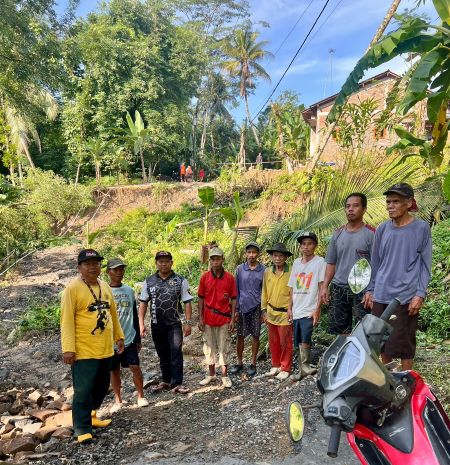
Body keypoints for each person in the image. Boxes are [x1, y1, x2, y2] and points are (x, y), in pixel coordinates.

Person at [364, 183, 432, 370]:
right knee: (382, 342)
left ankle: (407, 382)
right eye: (388, 202)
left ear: (409, 203)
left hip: (405, 297)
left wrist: (420, 294)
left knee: (404, 344)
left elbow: (426, 265)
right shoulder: (382, 229)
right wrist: (371, 289)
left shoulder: (421, 229)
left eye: (395, 202)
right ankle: (391, 383)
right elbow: (376, 263)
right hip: (382, 293)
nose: (390, 206)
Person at [60, 249, 125, 444]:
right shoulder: (72, 289)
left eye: (96, 263)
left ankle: (92, 416)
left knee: (102, 386)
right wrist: (68, 348)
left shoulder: (104, 286)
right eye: (88, 264)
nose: (92, 267)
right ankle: (81, 428)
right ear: (79, 268)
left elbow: (113, 314)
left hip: (105, 348)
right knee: (83, 389)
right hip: (84, 350)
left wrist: (119, 336)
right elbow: (67, 321)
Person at [320, 193, 375, 335]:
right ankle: (345, 356)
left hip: (362, 289)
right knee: (341, 330)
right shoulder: (338, 234)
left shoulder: (371, 234)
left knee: (365, 331)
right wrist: (325, 286)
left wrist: (371, 290)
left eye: (355, 206)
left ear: (364, 209)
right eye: (348, 206)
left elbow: (377, 265)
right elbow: (331, 262)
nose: (350, 209)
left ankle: (362, 357)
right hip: (339, 287)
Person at [139, 251, 193, 394]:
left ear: (171, 263)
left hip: (174, 324)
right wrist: (141, 323)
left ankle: (177, 383)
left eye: (166, 261)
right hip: (156, 324)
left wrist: (188, 322)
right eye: (160, 261)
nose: (163, 264)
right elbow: (143, 303)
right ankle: (166, 380)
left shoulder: (180, 280)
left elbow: (187, 302)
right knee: (162, 353)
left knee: (176, 352)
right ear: (156, 263)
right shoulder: (149, 281)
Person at [106, 259, 149, 413]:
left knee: (135, 367)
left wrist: (137, 337)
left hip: (128, 337)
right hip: (110, 341)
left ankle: (141, 396)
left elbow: (134, 315)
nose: (119, 273)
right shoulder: (104, 291)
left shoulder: (129, 291)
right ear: (108, 272)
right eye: (115, 270)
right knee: (114, 369)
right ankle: (118, 400)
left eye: (121, 269)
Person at [198, 247, 237, 388]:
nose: (215, 261)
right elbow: (201, 298)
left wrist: (233, 318)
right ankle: (211, 374)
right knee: (208, 347)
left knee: (224, 347)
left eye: (218, 258)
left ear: (222, 259)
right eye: (213, 259)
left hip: (224, 319)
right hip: (208, 318)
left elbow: (233, 299)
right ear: (210, 261)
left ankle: (225, 376)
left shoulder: (230, 278)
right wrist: (200, 318)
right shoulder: (204, 277)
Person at [288, 232, 325, 380]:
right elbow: (291, 287)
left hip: (309, 307)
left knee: (306, 337)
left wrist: (317, 309)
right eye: (303, 244)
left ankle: (306, 365)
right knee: (297, 339)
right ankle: (302, 368)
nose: (306, 247)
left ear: (315, 245)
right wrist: (289, 308)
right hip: (296, 308)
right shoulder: (296, 263)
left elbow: (321, 286)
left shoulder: (320, 262)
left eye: (309, 243)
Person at [230, 242, 265, 377]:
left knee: (256, 335)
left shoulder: (263, 270)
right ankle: (239, 362)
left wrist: (263, 310)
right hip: (243, 306)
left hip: (256, 306)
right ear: (246, 254)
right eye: (249, 252)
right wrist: (236, 310)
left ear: (258, 254)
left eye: (254, 252)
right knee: (240, 335)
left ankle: (253, 363)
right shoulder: (240, 269)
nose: (251, 255)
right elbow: (236, 290)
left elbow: (264, 291)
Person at [262, 243, 293, 381]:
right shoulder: (268, 271)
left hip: (285, 312)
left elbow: (294, 293)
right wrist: (263, 309)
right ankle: (275, 365)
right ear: (272, 257)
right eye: (275, 255)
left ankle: (285, 367)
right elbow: (264, 291)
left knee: (285, 341)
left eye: (281, 256)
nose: (278, 258)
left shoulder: (291, 272)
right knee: (273, 340)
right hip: (270, 311)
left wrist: (292, 309)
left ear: (285, 257)